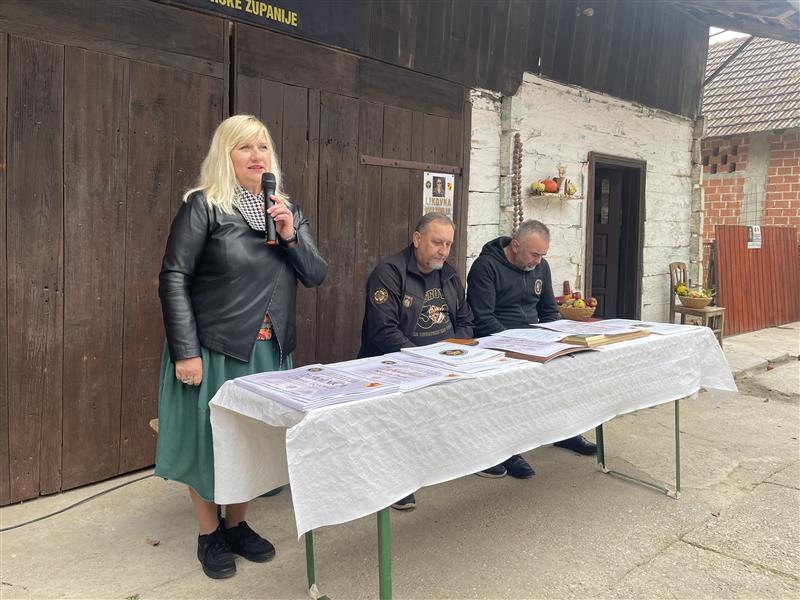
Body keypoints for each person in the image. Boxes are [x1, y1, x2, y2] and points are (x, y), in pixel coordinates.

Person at [156, 114, 328, 579]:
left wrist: (290, 235)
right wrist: (185, 351)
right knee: (208, 441)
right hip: (214, 348)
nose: (256, 156)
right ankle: (209, 533)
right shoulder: (204, 206)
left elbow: (315, 274)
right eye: (244, 147)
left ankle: (236, 525)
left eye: (263, 147)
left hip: (269, 351)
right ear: (225, 155)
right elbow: (174, 277)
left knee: (251, 440)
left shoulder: (285, 211)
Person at [359, 212, 474, 509]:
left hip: (444, 363)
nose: (443, 251)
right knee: (396, 422)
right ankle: (395, 479)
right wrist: (423, 362)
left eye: (448, 244)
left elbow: (466, 320)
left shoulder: (449, 274)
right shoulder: (389, 273)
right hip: (395, 365)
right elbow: (383, 332)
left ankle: (477, 456)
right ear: (417, 239)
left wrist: (454, 353)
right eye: (437, 243)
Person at [466, 219, 596, 480]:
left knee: (571, 365)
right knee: (512, 384)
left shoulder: (541, 267)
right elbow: (483, 318)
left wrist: (558, 339)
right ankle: (506, 449)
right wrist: (520, 344)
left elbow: (548, 311)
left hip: (533, 340)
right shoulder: (486, 267)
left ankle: (565, 431)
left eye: (542, 255)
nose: (538, 261)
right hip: (495, 342)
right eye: (534, 254)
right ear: (515, 246)